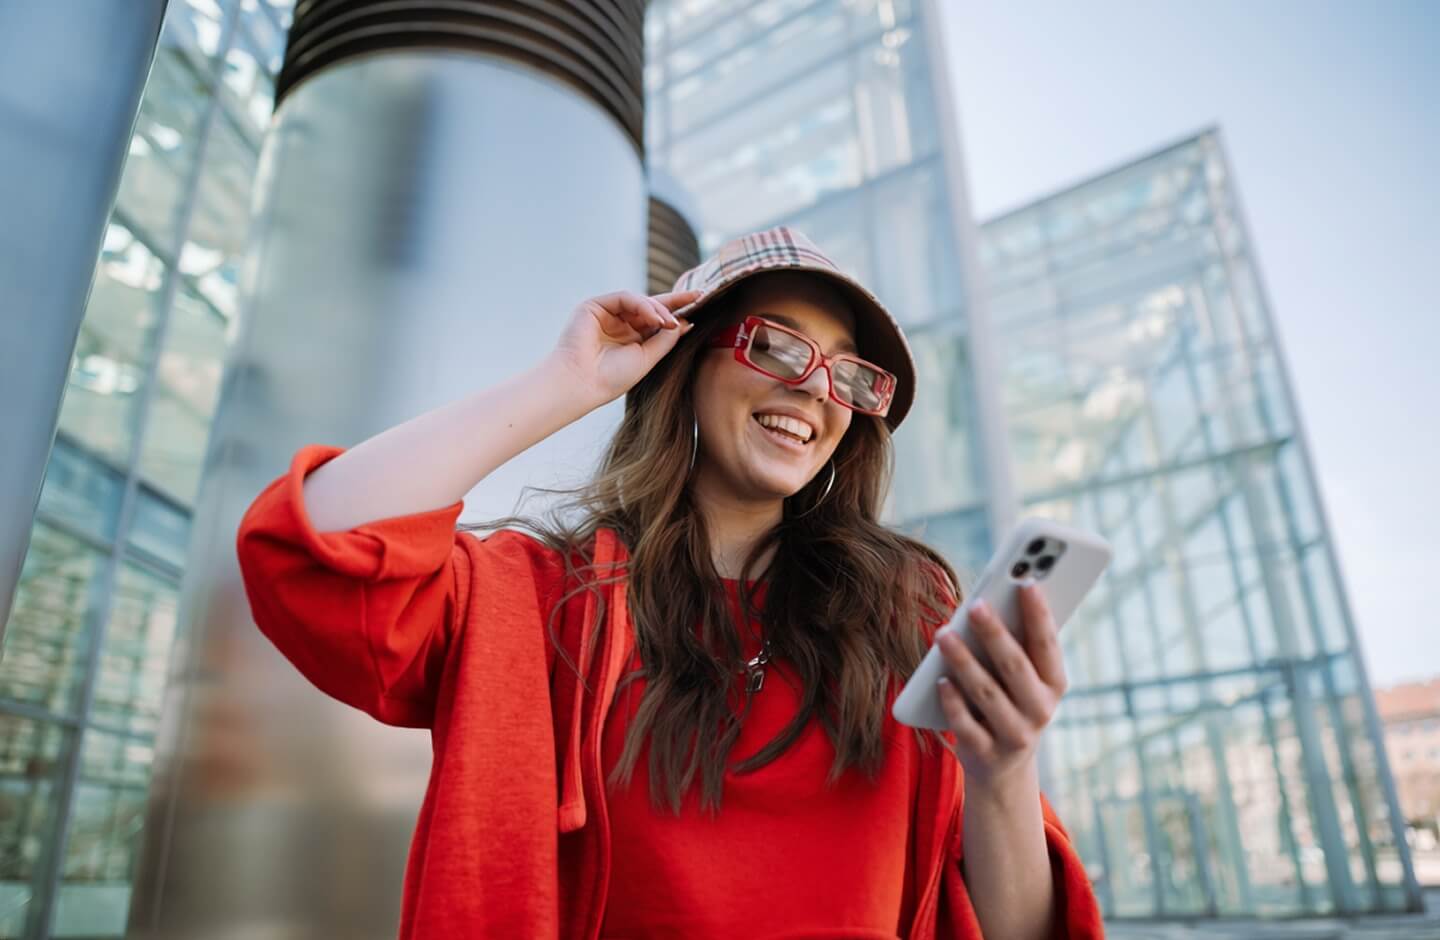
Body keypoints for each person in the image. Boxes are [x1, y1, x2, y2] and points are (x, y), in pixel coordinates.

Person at [235, 225, 1105, 939]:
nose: (813, 390)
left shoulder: (907, 617)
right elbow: (311, 550)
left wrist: (1005, 768)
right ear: (681, 363)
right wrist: (565, 384)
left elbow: (1021, 930)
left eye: (849, 373)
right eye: (774, 344)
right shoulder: (548, 603)